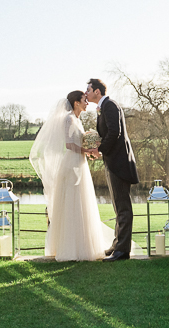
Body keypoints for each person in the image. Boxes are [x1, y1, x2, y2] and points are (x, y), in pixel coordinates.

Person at [29, 90, 112, 261]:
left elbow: (78, 141)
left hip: (79, 162)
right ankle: (70, 248)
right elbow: (69, 144)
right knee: (72, 203)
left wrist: (89, 149)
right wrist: (86, 150)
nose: (86, 103)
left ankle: (82, 245)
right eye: (84, 100)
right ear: (76, 103)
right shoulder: (69, 119)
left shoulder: (77, 120)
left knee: (82, 202)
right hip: (71, 164)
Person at [87, 78, 139, 262]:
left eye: (89, 90)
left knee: (123, 207)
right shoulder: (103, 107)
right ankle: (117, 245)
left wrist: (98, 150)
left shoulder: (109, 105)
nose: (86, 93)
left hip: (119, 163)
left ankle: (122, 252)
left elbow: (114, 132)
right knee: (118, 206)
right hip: (113, 161)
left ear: (97, 92)